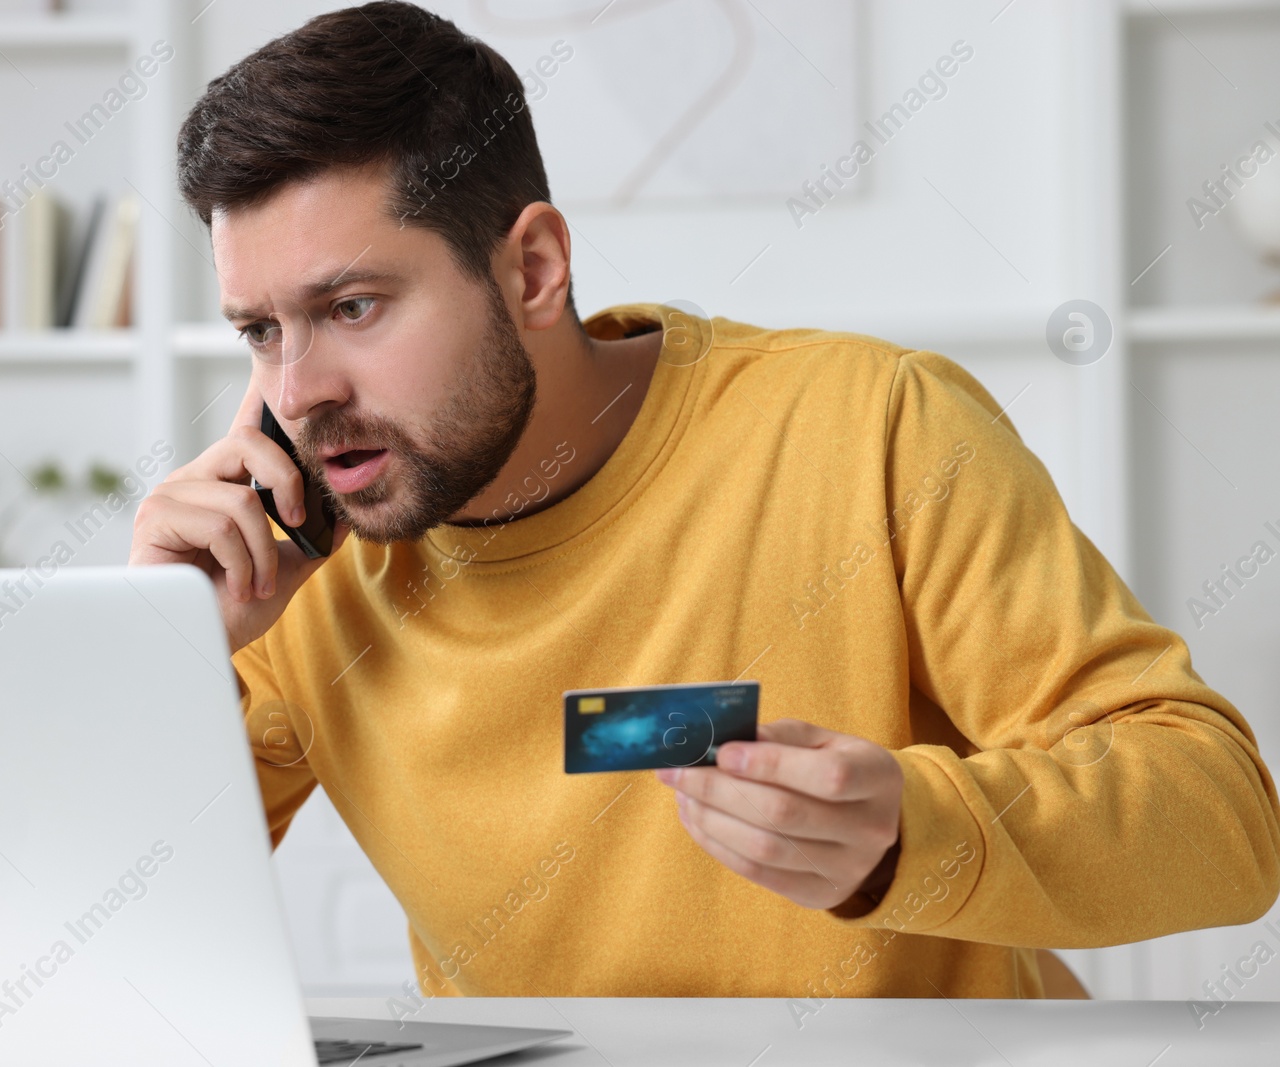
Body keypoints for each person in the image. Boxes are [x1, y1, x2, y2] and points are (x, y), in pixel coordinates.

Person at [129, 1, 1280, 1001]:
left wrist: (904, 834)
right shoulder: (297, 572)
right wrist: (158, 650)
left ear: (531, 269)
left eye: (356, 307)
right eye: (261, 330)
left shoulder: (870, 424)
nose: (299, 392)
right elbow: (108, 936)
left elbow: (1222, 819)